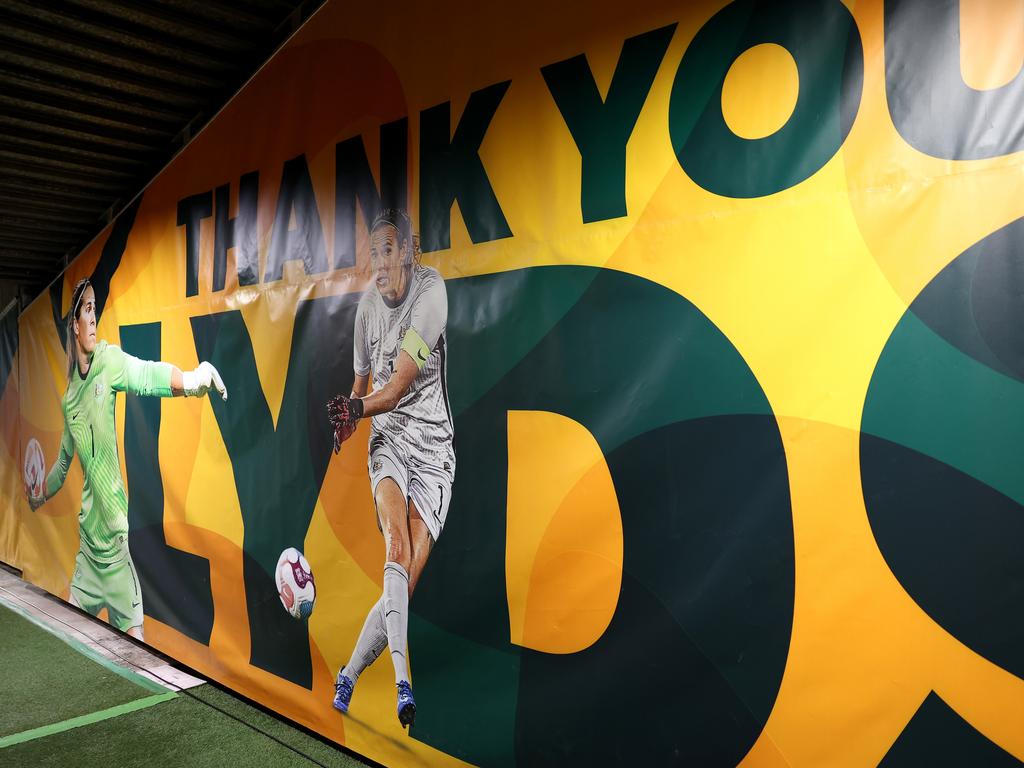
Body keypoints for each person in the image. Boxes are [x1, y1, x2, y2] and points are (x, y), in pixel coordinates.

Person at [27, 278, 228, 642]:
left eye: (94, 309)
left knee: (138, 656)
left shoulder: (109, 361)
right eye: (86, 310)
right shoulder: (69, 398)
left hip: (117, 551)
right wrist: (39, 496)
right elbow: (61, 464)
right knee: (67, 647)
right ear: (74, 324)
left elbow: (146, 375)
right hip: (88, 551)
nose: (93, 318)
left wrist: (194, 381)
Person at [328, 208, 455, 728]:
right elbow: (363, 384)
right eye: (371, 253)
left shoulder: (431, 295)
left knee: (401, 583)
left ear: (406, 251)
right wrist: (349, 418)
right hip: (389, 441)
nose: (378, 264)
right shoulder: (365, 310)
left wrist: (357, 408)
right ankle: (404, 683)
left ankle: (350, 674)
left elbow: (398, 384)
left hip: (435, 452)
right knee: (395, 548)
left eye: (386, 251)